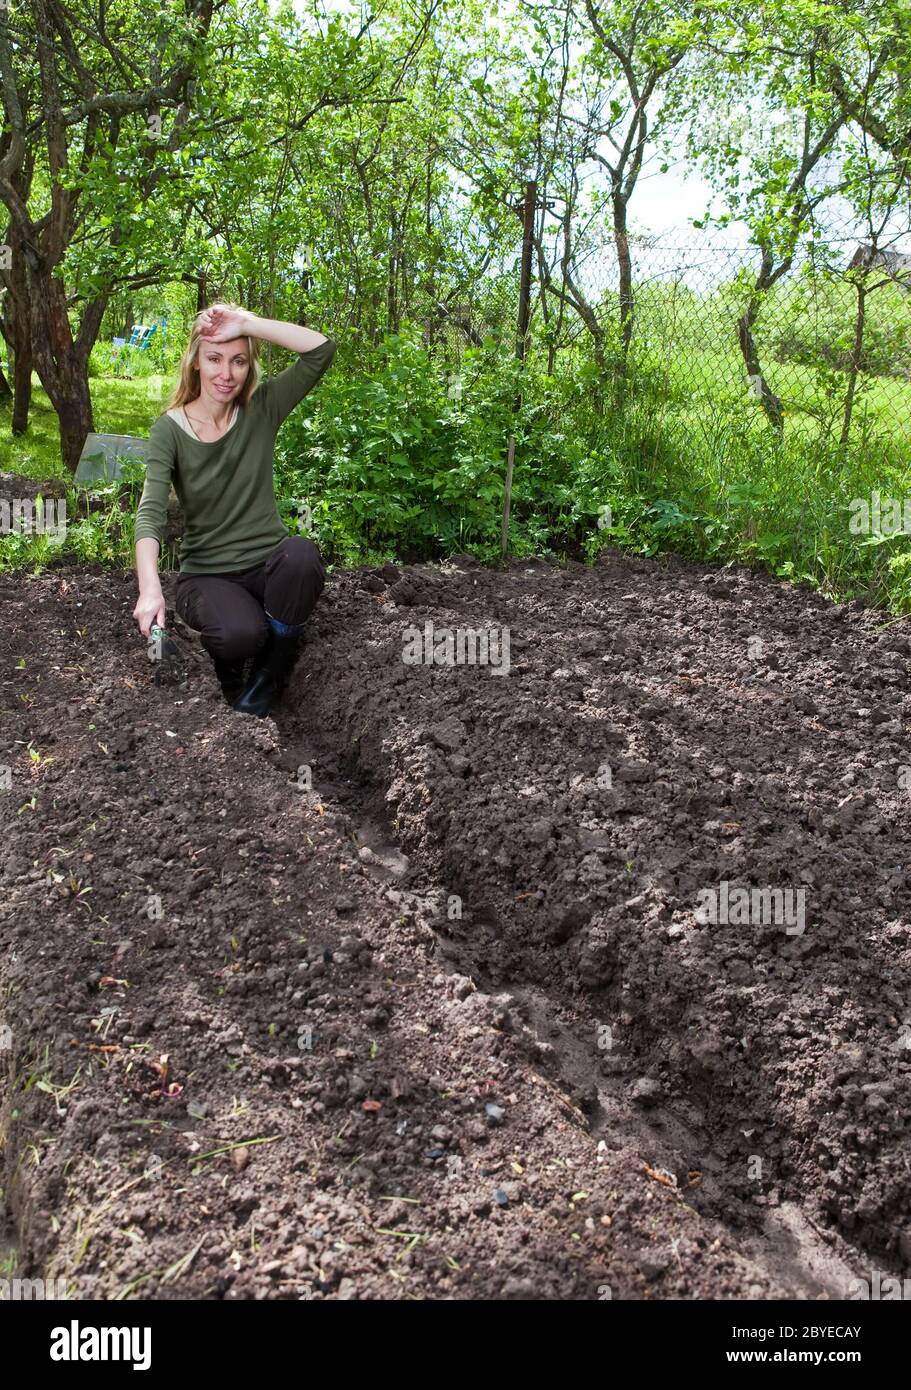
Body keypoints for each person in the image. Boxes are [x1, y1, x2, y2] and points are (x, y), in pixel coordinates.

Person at [132, 303, 336, 717]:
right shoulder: (169, 430)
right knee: (241, 633)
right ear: (195, 364)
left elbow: (321, 350)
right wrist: (150, 587)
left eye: (238, 361)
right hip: (207, 575)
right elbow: (150, 512)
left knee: (301, 555)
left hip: (267, 566)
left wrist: (248, 324)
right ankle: (235, 665)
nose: (226, 374)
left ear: (249, 366)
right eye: (214, 359)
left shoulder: (262, 408)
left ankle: (269, 675)